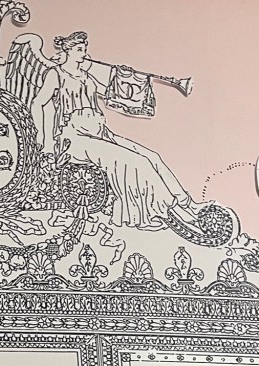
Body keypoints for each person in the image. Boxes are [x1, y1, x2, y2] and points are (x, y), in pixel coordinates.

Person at [30, 31, 203, 230]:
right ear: (68, 51)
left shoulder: (86, 76)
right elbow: (37, 103)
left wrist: (125, 76)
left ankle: (186, 203)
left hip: (99, 133)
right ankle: (161, 210)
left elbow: (114, 96)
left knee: (152, 157)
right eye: (79, 50)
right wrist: (42, 137)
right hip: (74, 138)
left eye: (84, 49)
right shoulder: (56, 74)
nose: (84, 53)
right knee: (136, 162)